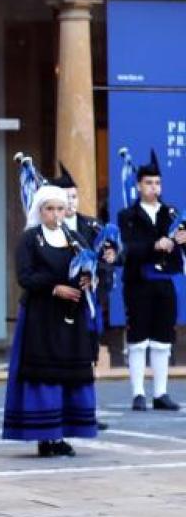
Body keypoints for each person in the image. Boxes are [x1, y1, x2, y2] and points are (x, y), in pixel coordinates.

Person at [1, 184, 99, 455]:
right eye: (49, 209)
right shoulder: (30, 239)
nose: (55, 214)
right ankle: (45, 436)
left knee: (68, 374)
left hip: (71, 316)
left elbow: (91, 265)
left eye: (60, 208)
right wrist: (55, 287)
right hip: (41, 316)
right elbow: (25, 276)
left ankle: (63, 434)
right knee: (44, 376)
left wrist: (89, 278)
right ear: (39, 211)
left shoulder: (76, 238)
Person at [118, 150, 183, 412]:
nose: (153, 187)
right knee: (138, 338)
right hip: (138, 282)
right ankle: (138, 393)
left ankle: (161, 392)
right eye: (148, 183)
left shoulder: (171, 214)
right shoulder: (128, 216)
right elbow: (128, 248)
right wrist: (155, 244)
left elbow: (179, 250)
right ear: (139, 185)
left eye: (157, 183)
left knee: (162, 339)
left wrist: (180, 242)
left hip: (164, 282)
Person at [55, 163, 118, 431]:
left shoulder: (91, 225)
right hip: (60, 305)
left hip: (89, 304)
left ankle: (85, 410)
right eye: (66, 196)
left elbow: (111, 255)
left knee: (88, 358)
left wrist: (110, 260)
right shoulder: (49, 230)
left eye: (74, 196)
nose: (71, 201)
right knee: (61, 359)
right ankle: (59, 410)